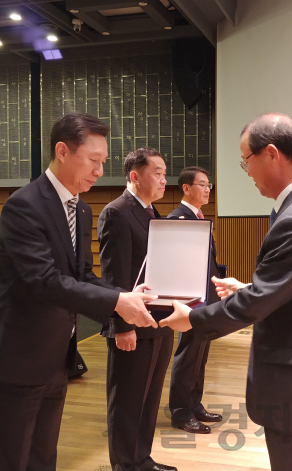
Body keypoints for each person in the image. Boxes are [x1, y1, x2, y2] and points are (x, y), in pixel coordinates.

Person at [160, 113, 292, 471]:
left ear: (271, 154)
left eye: (246, 162)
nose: (247, 172)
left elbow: (256, 304)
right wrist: (253, 287)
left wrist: (192, 318)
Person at [0, 111, 158, 471]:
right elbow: (43, 282)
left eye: (103, 162)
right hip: (16, 359)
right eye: (92, 160)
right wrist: (118, 302)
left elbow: (81, 275)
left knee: (44, 459)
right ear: (62, 151)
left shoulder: (82, 209)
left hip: (56, 360)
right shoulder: (24, 205)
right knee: (10, 461)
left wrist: (125, 296)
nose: (99, 170)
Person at [97, 147, 177, 471]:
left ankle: (142, 459)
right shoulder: (116, 212)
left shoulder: (151, 213)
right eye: (157, 173)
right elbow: (114, 276)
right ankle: (125, 466)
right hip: (131, 324)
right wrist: (121, 326)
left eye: (164, 172)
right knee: (127, 402)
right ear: (135, 176)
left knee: (149, 398)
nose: (163, 179)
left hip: (158, 321)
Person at [168, 167, 223, 434]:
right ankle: (180, 411)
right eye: (202, 184)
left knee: (200, 356)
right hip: (190, 302)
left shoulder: (199, 217)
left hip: (205, 300)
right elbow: (178, 267)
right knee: (188, 356)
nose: (208, 189)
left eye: (209, 185)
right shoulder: (178, 219)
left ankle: (194, 403)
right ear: (186, 188)